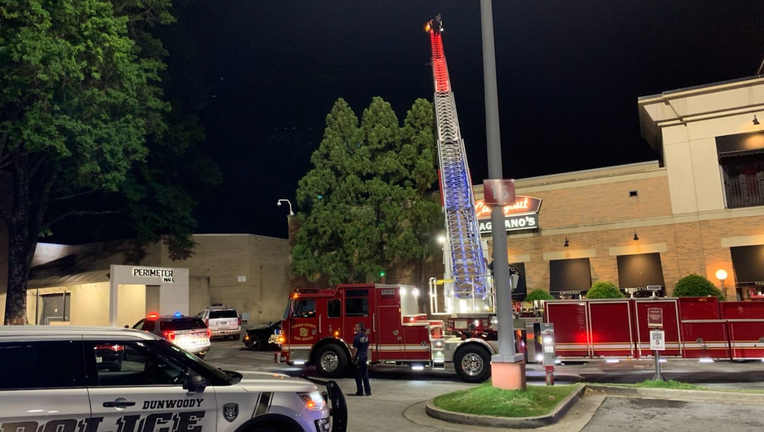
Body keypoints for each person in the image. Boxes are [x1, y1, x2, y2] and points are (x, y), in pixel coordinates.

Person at [350, 322, 371, 396]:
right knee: (365, 375)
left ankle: (360, 391)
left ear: (359, 328)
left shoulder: (356, 338)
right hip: (364, 357)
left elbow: (355, 349)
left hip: (358, 358)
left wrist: (353, 358)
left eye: (356, 327)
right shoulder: (366, 337)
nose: (355, 328)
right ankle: (368, 391)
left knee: (358, 376)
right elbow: (367, 347)